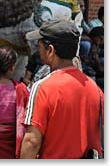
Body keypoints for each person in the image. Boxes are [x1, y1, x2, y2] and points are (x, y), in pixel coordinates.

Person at [20, 20, 104, 159]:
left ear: (51, 50)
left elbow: (32, 141)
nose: (38, 49)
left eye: (39, 45)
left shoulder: (42, 87)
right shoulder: (94, 87)